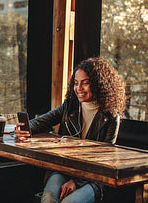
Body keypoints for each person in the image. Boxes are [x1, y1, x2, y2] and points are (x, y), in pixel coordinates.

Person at [15, 57, 126, 203]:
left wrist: (77, 182)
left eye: (85, 83)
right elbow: (41, 122)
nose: (79, 88)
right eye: (76, 83)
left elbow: (103, 161)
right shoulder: (70, 107)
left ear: (100, 84)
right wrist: (23, 128)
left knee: (70, 202)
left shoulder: (111, 117)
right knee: (48, 198)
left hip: (95, 178)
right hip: (64, 169)